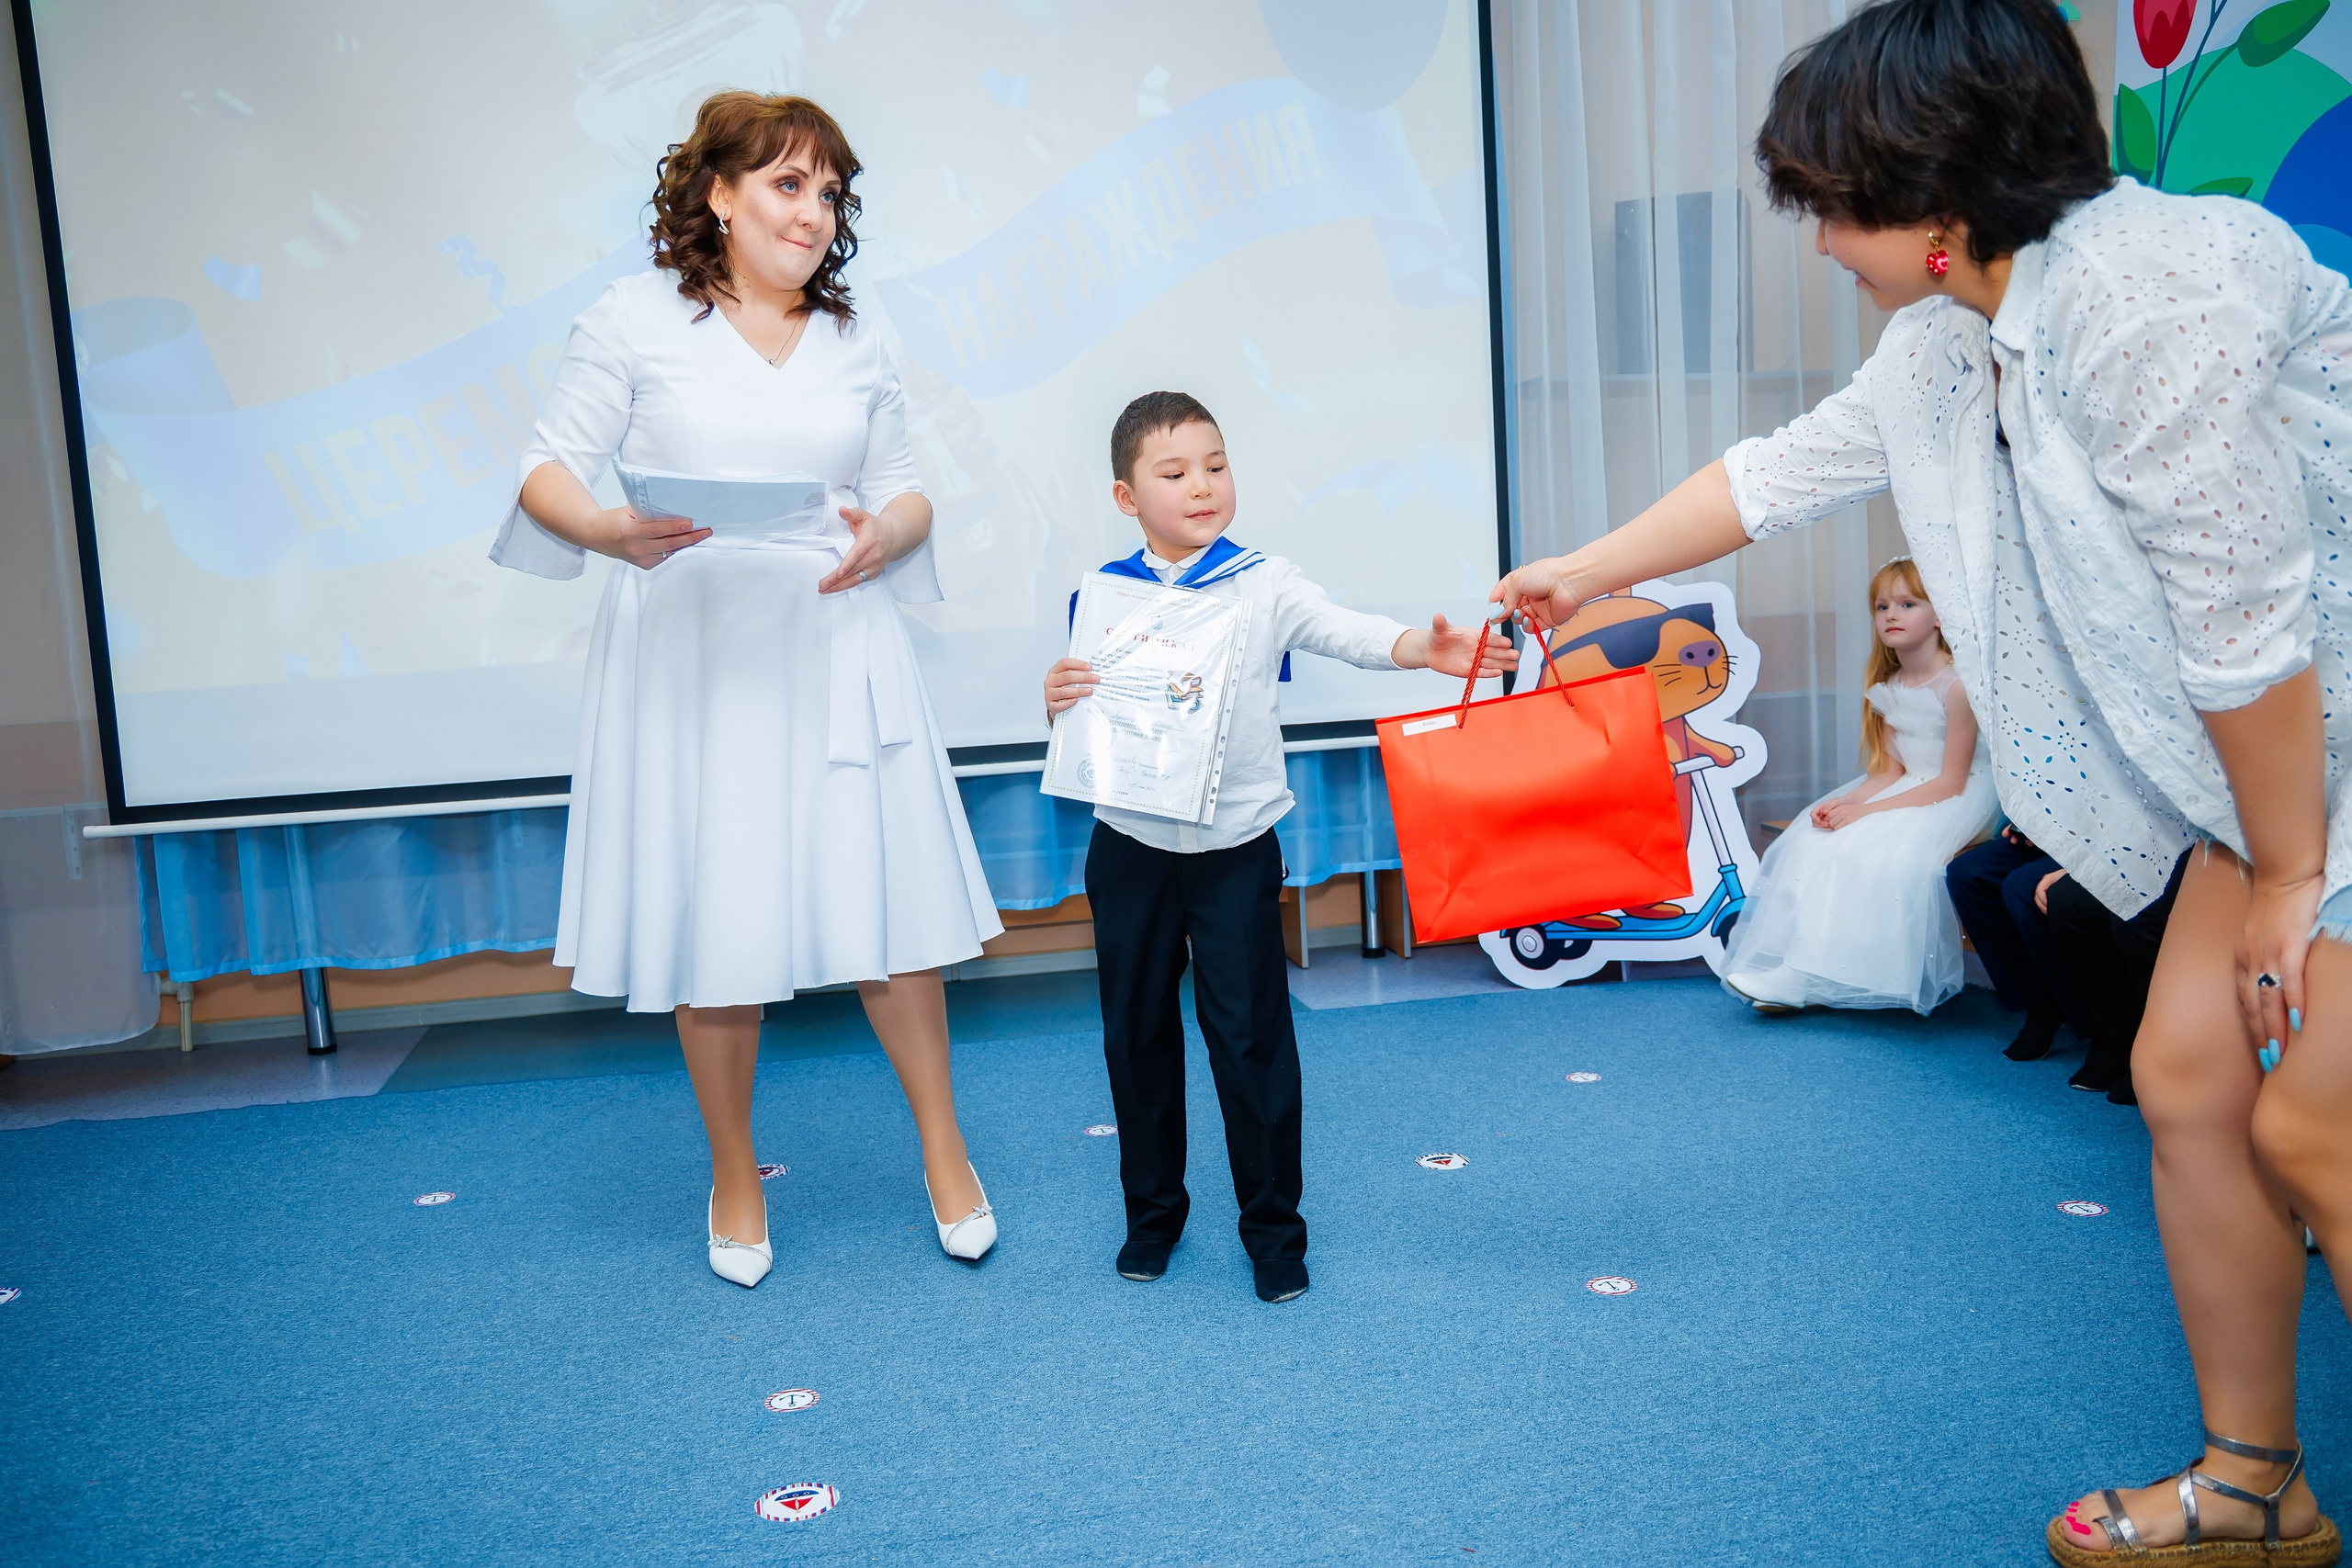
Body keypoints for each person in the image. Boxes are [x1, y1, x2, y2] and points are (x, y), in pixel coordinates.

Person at [1490, 2, 2348, 1559]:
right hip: (2274, 757)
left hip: (2317, 722)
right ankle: (2256, 1490)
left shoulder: (2156, 292)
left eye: (1829, 202)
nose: (1818, 239)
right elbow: (1776, 475)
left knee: (2317, 1126)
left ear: (1938, 198)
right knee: (2193, 1082)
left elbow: (2244, 618)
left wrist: (2290, 874)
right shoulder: (1951, 341)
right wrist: (1577, 573)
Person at [492, 93, 1005, 1289]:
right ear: (717, 195)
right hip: (697, 652)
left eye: (830, 193)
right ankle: (732, 1170)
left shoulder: (855, 336)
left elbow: (909, 485)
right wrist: (614, 531)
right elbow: (542, 469)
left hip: (835, 638)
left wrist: (888, 531)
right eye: (786, 184)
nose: (814, 212)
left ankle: (946, 1149)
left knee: (889, 912)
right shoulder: (633, 317)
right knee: (716, 917)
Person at [1043, 392, 1514, 1303]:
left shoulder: (1265, 581)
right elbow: (1092, 716)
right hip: (1129, 849)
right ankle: (1152, 1218)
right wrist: (1056, 696)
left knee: (1251, 1041)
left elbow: (1348, 631)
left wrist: (1423, 646)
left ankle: (1273, 1233)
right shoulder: (1098, 594)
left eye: (1215, 465)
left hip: (1233, 853)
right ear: (1124, 495)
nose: (1202, 486)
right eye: (1173, 473)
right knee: (1135, 1039)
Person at [1721, 556, 1996, 1012]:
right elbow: (1890, 772)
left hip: (1958, 795)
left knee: (1869, 852)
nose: (1891, 614)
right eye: (1882, 606)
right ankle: (1800, 972)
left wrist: (1866, 813)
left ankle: (1809, 977)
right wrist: (1847, 802)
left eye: (1908, 604)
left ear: (1939, 617)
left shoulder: (1958, 686)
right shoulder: (1892, 681)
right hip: (1911, 787)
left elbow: (1951, 781)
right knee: (1810, 840)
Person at [1947, 824, 2091, 1060]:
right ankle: (2040, 1003)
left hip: (2107, 836)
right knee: (1967, 873)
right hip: (2059, 824)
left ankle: (2105, 1029)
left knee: (2022, 888)